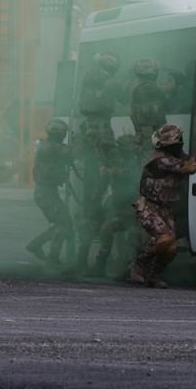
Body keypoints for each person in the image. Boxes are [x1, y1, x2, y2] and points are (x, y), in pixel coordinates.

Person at [128, 123, 196, 288]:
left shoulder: (177, 157)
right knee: (164, 239)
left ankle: (154, 275)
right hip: (149, 206)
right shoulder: (160, 159)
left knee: (171, 248)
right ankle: (138, 265)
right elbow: (191, 167)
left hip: (166, 208)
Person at [75, 51, 123, 271]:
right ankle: (88, 263)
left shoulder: (87, 124)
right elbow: (109, 156)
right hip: (98, 184)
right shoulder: (100, 126)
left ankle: (81, 261)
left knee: (90, 217)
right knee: (97, 218)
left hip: (93, 184)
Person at [88, 133, 142, 278]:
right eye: (123, 146)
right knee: (107, 229)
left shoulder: (139, 161)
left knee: (134, 235)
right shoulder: (115, 161)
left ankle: (133, 268)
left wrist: (113, 171)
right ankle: (101, 265)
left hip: (139, 210)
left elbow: (132, 175)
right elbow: (103, 183)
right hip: (121, 208)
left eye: (129, 146)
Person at [25, 119, 74, 267]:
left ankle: (35, 244)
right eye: (63, 133)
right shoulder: (51, 147)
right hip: (45, 193)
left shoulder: (46, 145)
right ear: (57, 134)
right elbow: (71, 153)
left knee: (63, 223)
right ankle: (52, 258)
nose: (64, 135)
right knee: (64, 224)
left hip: (46, 192)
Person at [129, 58, 167, 149]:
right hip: (150, 134)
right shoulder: (149, 87)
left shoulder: (136, 86)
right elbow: (150, 112)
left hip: (145, 133)